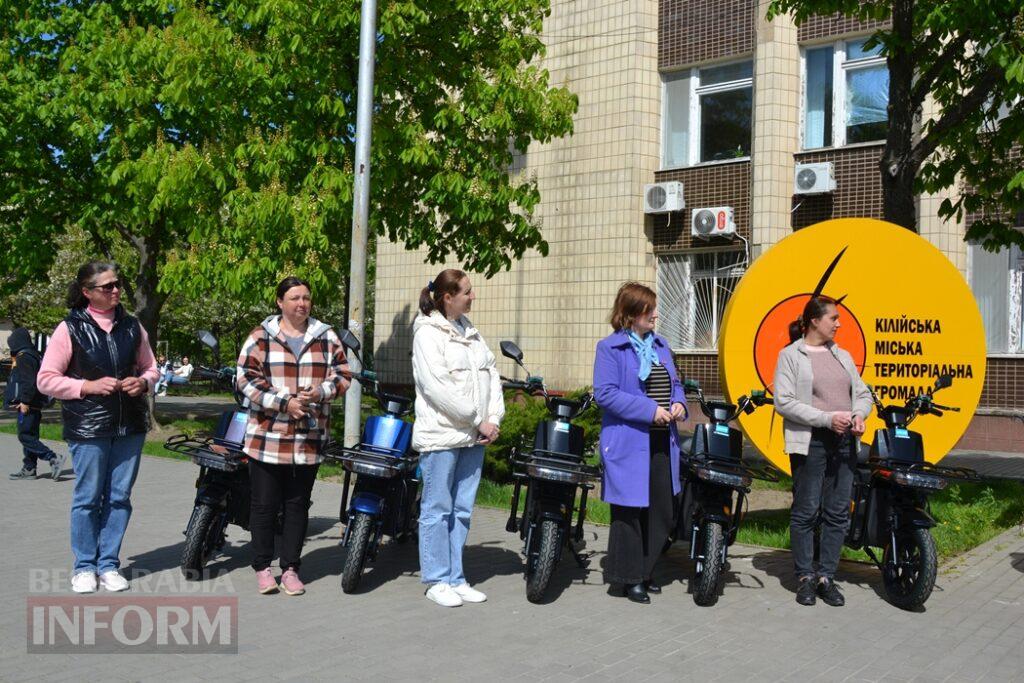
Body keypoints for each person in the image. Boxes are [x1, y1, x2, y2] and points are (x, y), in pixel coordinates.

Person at [38, 261, 160, 593]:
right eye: (107, 287)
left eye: (117, 284)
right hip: (88, 427)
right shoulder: (70, 328)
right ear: (87, 292)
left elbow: (152, 368)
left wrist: (144, 382)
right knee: (88, 497)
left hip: (129, 425)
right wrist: (86, 387)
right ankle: (84, 566)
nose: (116, 290)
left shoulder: (133, 327)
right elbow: (46, 379)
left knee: (119, 497)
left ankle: (108, 564)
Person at [236, 276, 349, 596]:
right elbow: (245, 378)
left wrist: (319, 393)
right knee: (264, 505)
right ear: (280, 302)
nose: (302, 303)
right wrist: (285, 402)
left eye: (307, 298)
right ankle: (262, 567)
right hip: (267, 437)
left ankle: (290, 569)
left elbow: (343, 375)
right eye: (295, 298)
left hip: (308, 438)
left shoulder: (326, 336)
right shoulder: (261, 336)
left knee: (297, 505)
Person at [411, 269, 504, 607]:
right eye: (466, 291)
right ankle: (436, 579)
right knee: (437, 508)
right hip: (442, 437)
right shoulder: (427, 333)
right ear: (447, 297)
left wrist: (494, 418)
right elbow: (437, 388)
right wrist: (480, 420)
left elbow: (492, 374)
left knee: (462, 509)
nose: (472, 296)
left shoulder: (471, 333)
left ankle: (455, 576)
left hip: (472, 437)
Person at [773, 296, 872, 607]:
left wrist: (859, 415)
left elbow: (863, 392)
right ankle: (805, 577)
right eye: (834, 318)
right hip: (811, 441)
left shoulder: (842, 355)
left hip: (844, 443)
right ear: (814, 321)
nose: (839, 323)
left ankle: (826, 576)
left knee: (838, 512)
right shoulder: (791, 355)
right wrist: (827, 419)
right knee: (806, 510)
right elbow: (784, 402)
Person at [593, 282, 687, 604]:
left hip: (663, 442)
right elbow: (604, 394)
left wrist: (678, 404)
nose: (656, 315)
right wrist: (650, 410)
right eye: (650, 310)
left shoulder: (661, 346)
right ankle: (629, 578)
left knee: (662, 511)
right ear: (632, 314)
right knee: (630, 512)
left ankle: (645, 571)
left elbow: (676, 384)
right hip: (629, 442)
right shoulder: (611, 348)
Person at [6, 327, 66, 480]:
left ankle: (53, 458)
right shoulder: (33, 355)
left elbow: (29, 382)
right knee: (31, 435)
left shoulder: (24, 357)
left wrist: (24, 401)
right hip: (34, 403)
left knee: (25, 436)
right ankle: (29, 468)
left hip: (28, 404)